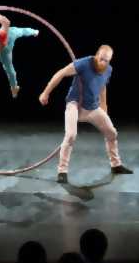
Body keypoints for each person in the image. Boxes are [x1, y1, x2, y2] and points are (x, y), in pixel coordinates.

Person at [39, 45, 133, 183]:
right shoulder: (84, 63)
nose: (103, 63)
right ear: (96, 55)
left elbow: (102, 87)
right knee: (70, 135)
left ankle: (116, 165)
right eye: (101, 59)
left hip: (93, 108)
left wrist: (104, 107)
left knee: (112, 133)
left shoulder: (108, 70)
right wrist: (46, 92)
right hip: (75, 105)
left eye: (106, 61)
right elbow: (61, 73)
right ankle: (62, 171)